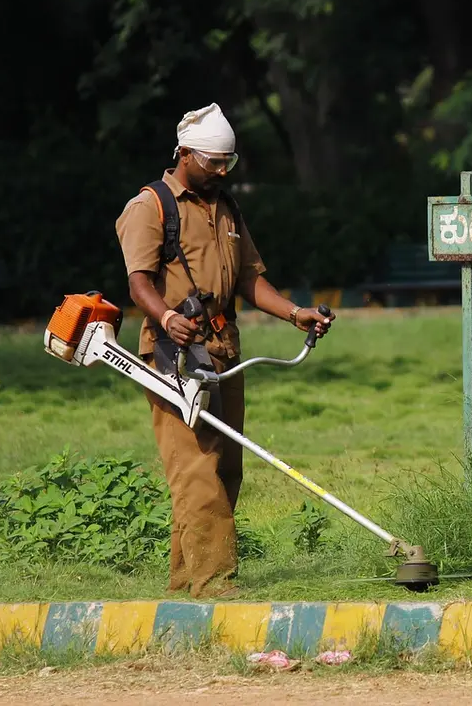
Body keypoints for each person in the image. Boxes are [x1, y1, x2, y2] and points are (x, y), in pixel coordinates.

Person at [114, 102, 334, 599]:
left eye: (228, 164)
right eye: (214, 162)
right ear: (186, 154)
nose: (221, 171)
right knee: (195, 469)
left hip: (224, 351)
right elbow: (138, 282)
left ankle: (184, 583)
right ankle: (215, 585)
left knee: (223, 467)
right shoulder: (150, 207)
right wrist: (167, 316)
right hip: (173, 354)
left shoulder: (227, 208)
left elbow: (250, 278)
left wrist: (294, 312)